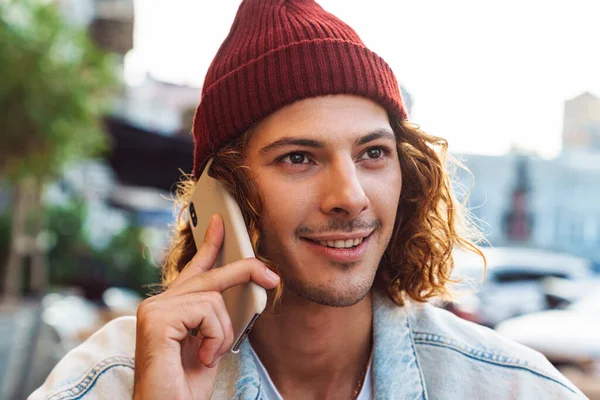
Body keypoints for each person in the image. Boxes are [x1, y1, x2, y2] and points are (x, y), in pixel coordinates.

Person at [30, 1, 585, 399]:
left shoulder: (512, 387)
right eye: (299, 157)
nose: (349, 196)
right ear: (222, 195)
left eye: (373, 154)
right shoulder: (112, 382)